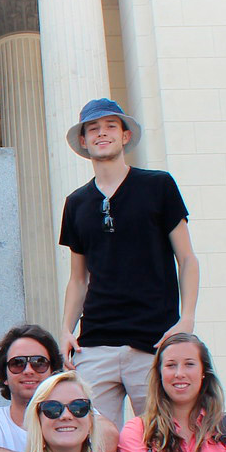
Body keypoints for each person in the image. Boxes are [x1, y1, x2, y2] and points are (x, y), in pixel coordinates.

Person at [59, 97, 201, 429]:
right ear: (83, 140)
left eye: (110, 126)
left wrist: (188, 318)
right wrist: (66, 329)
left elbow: (187, 258)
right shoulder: (76, 203)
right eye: (93, 128)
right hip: (94, 344)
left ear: (125, 136)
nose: (101, 133)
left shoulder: (158, 186)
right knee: (92, 444)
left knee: (161, 440)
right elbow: (78, 279)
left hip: (153, 340)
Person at [0, 324, 117, 452]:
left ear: (53, 371)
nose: (28, 370)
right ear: (4, 376)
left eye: (39, 363)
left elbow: (109, 435)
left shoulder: (73, 410)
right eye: (17, 364)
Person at [118, 332, 226, 452]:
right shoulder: (137, 431)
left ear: (204, 371)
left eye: (189, 364)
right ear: (159, 374)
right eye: (171, 365)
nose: (179, 373)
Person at [18, 372, 115, 452]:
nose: (66, 415)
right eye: (52, 408)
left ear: (90, 419)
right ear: (38, 420)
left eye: (78, 406)